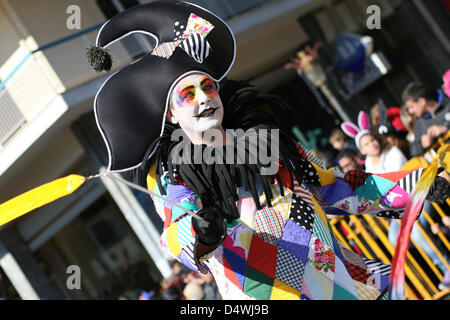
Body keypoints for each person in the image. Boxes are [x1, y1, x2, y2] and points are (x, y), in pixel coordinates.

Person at [88, 2, 449, 300]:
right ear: (171, 114)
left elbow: (338, 186)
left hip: (345, 288)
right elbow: (175, 232)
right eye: (187, 94)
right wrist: (200, 233)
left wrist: (411, 187)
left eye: (207, 87)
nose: (203, 99)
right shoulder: (174, 177)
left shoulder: (271, 145)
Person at [341, 111, 407, 174]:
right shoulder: (368, 165)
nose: (372, 144)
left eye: (372, 140)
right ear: (362, 151)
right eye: (366, 144)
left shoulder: (393, 153)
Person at [402, 81, 450, 157]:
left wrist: (446, 128)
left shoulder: (447, 103)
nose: (410, 111)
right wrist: (422, 144)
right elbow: (413, 151)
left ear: (422, 101)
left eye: (411, 107)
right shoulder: (419, 122)